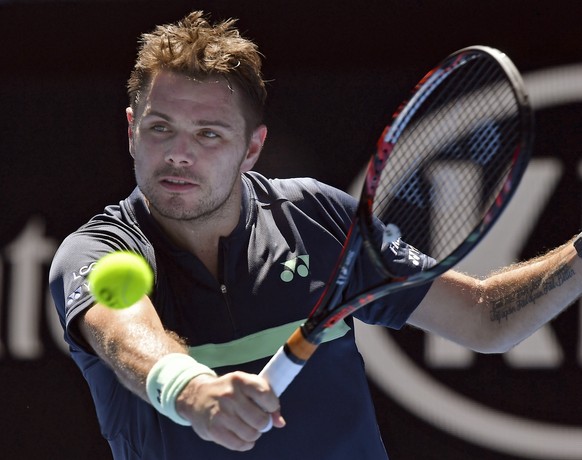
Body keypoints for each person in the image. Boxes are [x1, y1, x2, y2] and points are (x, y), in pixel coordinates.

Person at [49, 10, 582, 460]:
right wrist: (192, 392)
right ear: (131, 130)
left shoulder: (317, 217)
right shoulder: (96, 250)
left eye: (208, 134)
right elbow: (124, 337)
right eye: (159, 127)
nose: (178, 154)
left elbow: (485, 318)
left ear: (252, 148)